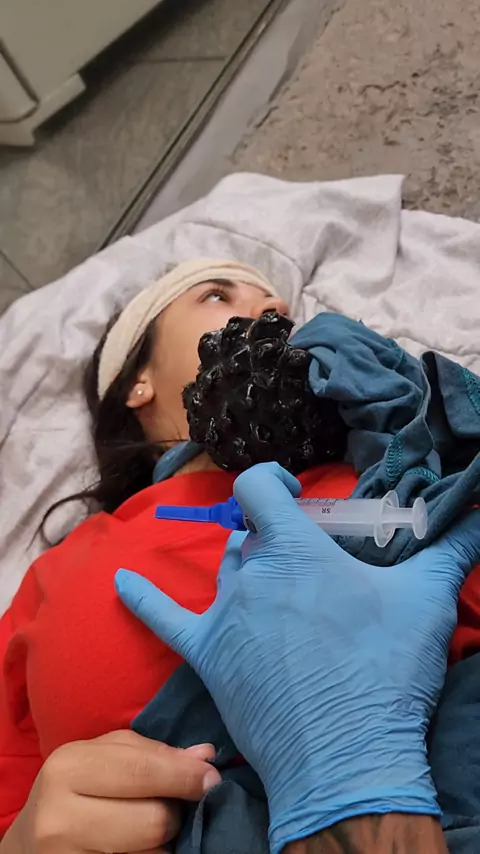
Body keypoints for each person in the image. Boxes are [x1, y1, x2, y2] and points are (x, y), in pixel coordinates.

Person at [0, 258, 479, 850]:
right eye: (216, 295)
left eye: (279, 306)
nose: (274, 309)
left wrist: (359, 785)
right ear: (136, 380)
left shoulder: (396, 466)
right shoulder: (57, 573)